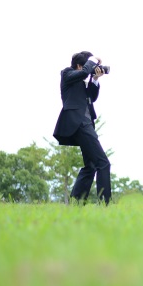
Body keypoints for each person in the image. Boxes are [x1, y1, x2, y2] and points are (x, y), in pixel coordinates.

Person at [53, 51, 112, 205]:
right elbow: (84, 72)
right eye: (89, 65)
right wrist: (92, 61)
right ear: (80, 65)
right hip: (78, 123)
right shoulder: (67, 74)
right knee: (103, 163)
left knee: (91, 166)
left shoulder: (81, 82)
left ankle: (76, 202)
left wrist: (95, 78)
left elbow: (91, 97)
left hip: (86, 123)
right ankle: (105, 204)